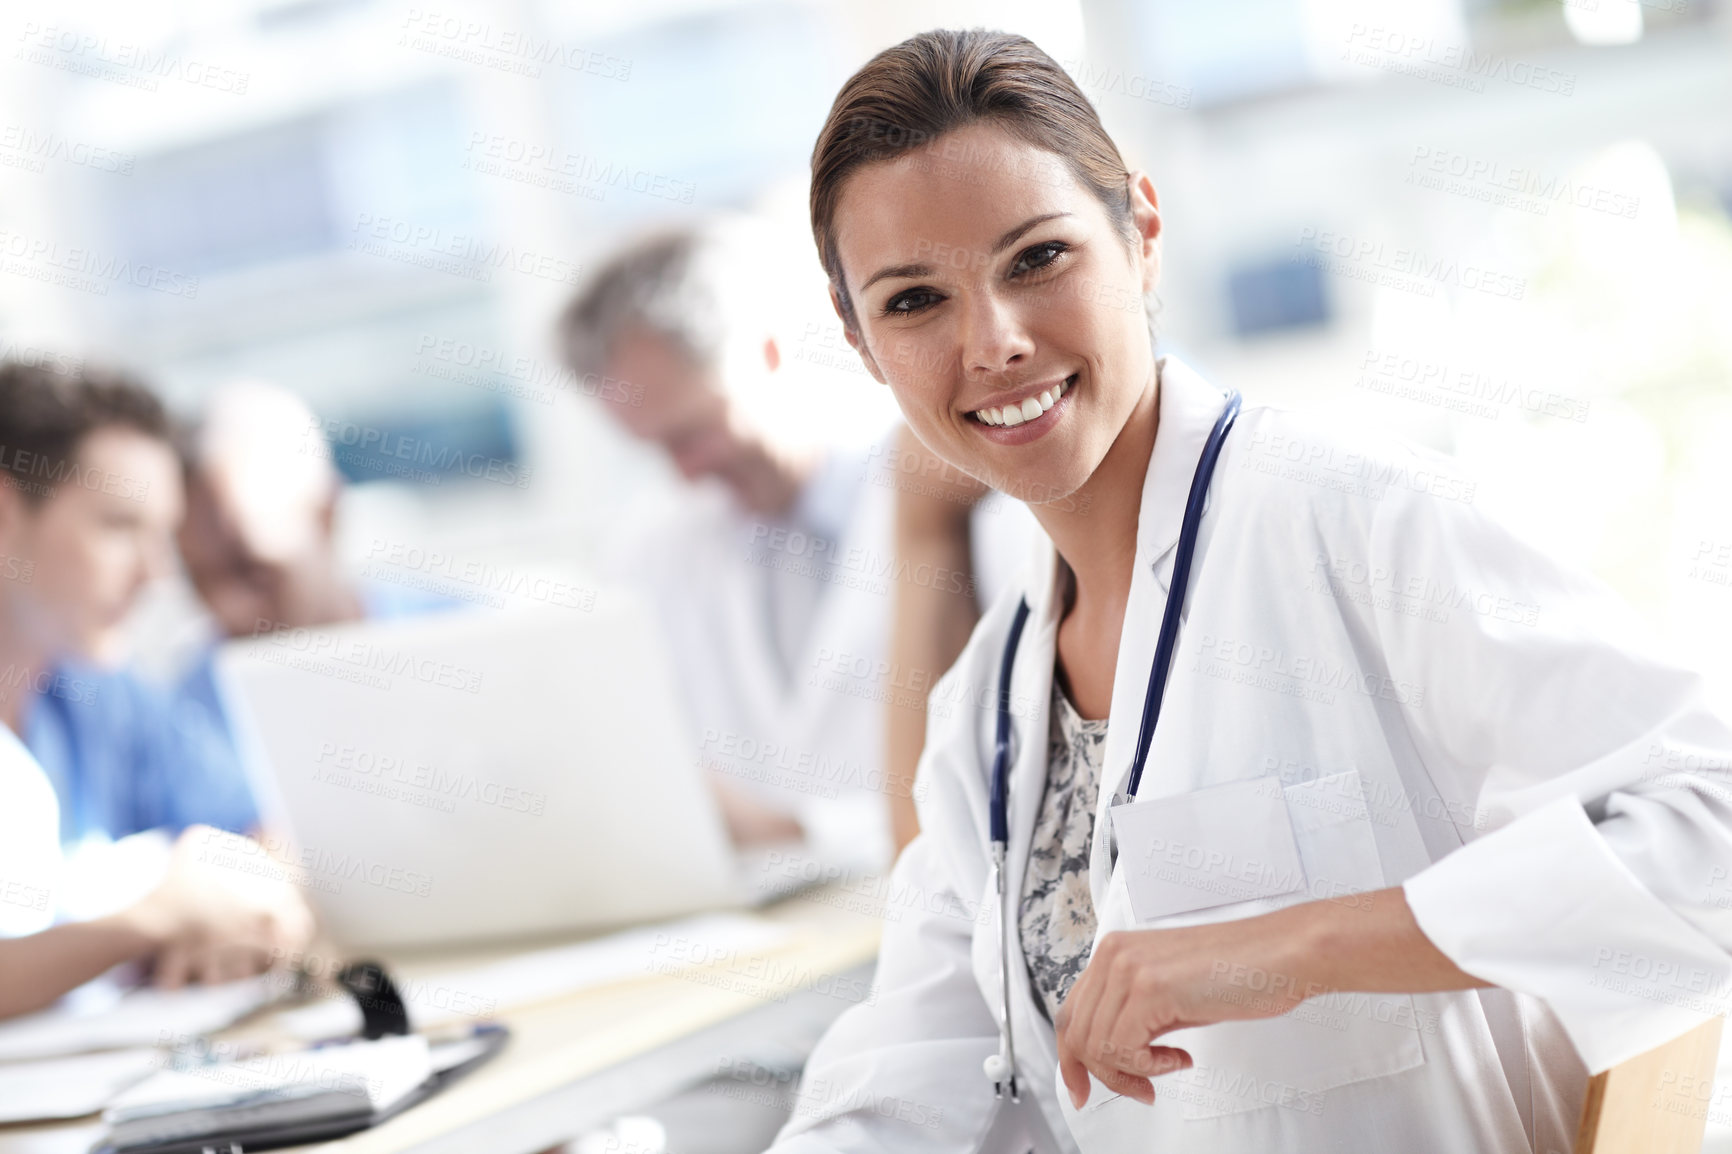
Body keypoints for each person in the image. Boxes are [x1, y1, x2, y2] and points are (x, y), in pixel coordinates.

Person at [765, 30, 1732, 1154]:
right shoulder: (982, 707)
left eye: (1036, 258)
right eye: (914, 301)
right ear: (860, 342)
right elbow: (909, 1072)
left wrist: (1296, 945)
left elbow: (1711, 825)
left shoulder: (1354, 519)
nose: (994, 342)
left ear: (1141, 234)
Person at [558, 227, 900, 865]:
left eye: (692, 433)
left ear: (768, 353)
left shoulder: (947, 494)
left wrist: (796, 832)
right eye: (655, 447)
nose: (685, 473)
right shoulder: (654, 552)